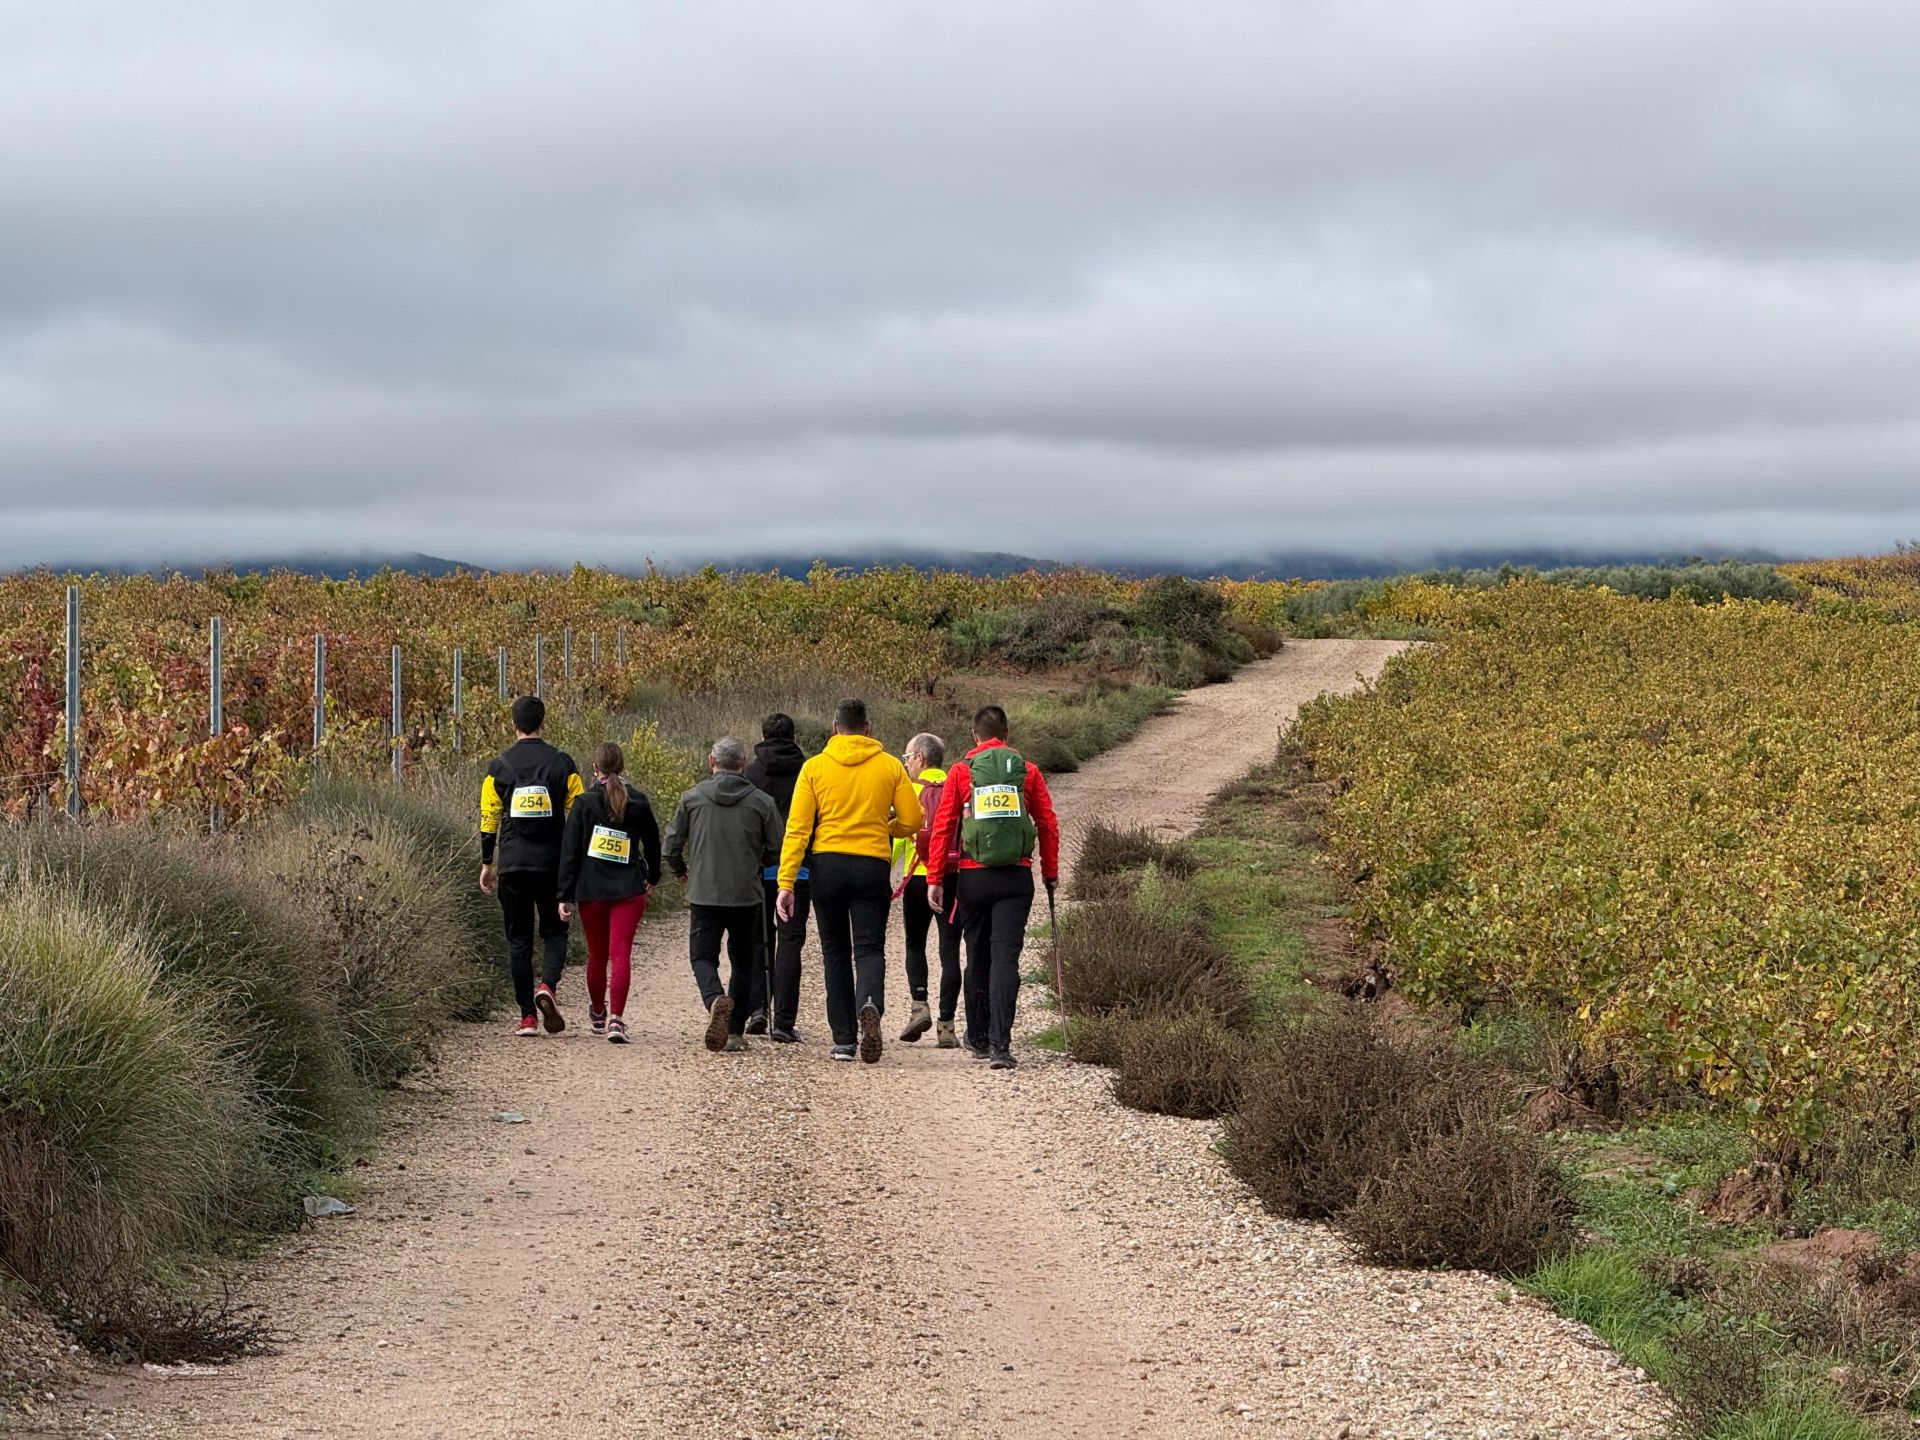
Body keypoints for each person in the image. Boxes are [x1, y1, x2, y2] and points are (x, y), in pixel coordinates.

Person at [776, 699, 922, 1064]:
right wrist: (888, 827)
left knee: (835, 951)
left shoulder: (814, 768)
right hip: (871, 864)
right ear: (868, 727)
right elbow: (914, 819)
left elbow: (798, 830)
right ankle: (869, 1004)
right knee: (870, 948)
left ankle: (843, 1039)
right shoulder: (890, 766)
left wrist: (786, 882)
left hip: (827, 866)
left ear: (833, 726)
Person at [926, 704, 1061, 1070]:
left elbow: (944, 826)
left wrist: (936, 877)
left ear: (975, 735)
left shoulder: (961, 771)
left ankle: (979, 1037)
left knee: (977, 955)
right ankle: (1002, 1045)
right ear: (1007, 734)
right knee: (1006, 958)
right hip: (1016, 878)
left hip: (973, 876)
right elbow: (1047, 824)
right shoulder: (1027, 772)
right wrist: (1050, 872)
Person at [663, 736, 785, 1054]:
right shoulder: (761, 802)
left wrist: (680, 870)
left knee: (702, 956)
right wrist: (760, 862)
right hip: (747, 894)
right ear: (743, 764)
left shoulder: (692, 799)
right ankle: (734, 1032)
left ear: (710, 762)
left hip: (704, 892)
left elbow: (671, 845)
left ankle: (715, 998)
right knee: (745, 962)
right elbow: (777, 849)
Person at [479, 695, 585, 1037]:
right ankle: (548, 987)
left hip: (512, 865)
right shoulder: (563, 764)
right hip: (553, 865)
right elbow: (579, 812)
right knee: (555, 932)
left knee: (519, 940)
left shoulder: (498, 767)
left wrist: (487, 862)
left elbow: (488, 818)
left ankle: (527, 1016)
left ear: (514, 725)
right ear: (543, 723)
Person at [556, 741, 662, 1045]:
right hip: (629, 890)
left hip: (592, 892)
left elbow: (570, 852)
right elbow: (653, 844)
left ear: (594, 768)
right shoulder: (639, 802)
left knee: (597, 955)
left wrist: (564, 895)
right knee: (621, 954)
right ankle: (617, 1019)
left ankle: (599, 1014)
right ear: (623, 766)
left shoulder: (584, 803)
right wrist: (652, 876)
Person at [744, 713, 810, 1043]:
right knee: (790, 941)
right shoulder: (808, 769)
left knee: (758, 939)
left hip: (759, 868)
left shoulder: (751, 772)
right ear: (794, 737)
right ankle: (784, 1020)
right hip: (800, 868)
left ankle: (757, 1008)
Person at [893, 733, 962, 1047]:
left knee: (915, 945)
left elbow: (898, 841)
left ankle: (919, 1005)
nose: (906, 763)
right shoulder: (956, 787)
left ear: (920, 758)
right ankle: (947, 1026)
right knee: (950, 952)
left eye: (908, 757)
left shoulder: (910, 791)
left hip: (917, 878)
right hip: (952, 877)